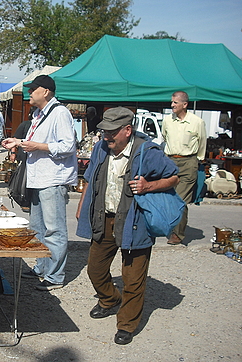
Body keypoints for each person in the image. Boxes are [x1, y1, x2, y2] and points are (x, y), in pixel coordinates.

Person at [76, 107, 179, 345]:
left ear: (127, 130)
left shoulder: (147, 151)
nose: (106, 137)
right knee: (95, 269)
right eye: (104, 131)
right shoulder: (101, 148)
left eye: (112, 132)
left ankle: (127, 324)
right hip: (105, 217)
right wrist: (83, 205)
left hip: (135, 221)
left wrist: (148, 186)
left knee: (133, 279)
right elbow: (90, 179)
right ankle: (109, 300)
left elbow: (174, 176)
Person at [2, 75, 77, 291]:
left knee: (54, 229)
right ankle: (42, 266)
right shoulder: (38, 114)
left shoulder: (60, 113)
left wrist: (38, 147)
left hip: (53, 179)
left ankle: (55, 275)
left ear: (46, 91)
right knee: (38, 228)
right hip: (38, 179)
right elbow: (37, 141)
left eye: (34, 89)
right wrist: (18, 142)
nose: (30, 92)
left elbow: (67, 147)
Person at [161, 91, 206, 245]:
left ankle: (177, 234)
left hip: (189, 162)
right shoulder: (167, 120)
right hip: (171, 162)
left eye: (175, 102)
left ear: (185, 105)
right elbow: (164, 137)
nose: (172, 105)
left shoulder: (197, 122)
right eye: (172, 102)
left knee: (180, 199)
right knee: (169, 197)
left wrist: (197, 161)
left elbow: (202, 143)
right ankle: (171, 227)